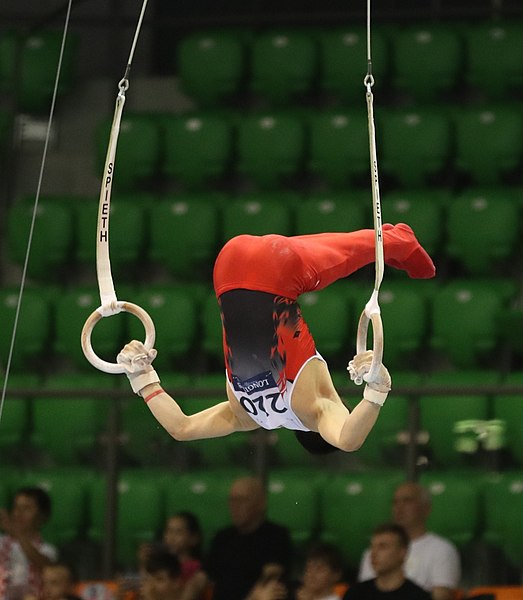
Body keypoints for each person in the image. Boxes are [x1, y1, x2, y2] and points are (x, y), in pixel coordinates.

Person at [117, 225, 435, 454]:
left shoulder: (315, 410)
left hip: (276, 271)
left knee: (348, 251)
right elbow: (181, 428)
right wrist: (142, 375)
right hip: (226, 270)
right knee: (330, 250)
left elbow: (349, 440)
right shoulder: (245, 415)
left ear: (316, 431)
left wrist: (377, 390)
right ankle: (393, 241)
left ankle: (397, 240)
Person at [358, 483, 461, 600]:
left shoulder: (442, 549)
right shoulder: (373, 550)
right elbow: (365, 591)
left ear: (426, 508)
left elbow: (441, 596)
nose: (399, 507)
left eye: (407, 501)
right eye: (395, 502)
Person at [205, 476, 293, 600]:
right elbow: (205, 576)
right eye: (232, 500)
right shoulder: (222, 537)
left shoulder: (276, 536)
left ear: (261, 503)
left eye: (241, 500)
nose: (234, 506)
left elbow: (272, 576)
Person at [0, 486, 58, 600]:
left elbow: (45, 567)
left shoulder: (47, 549)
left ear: (43, 517)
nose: (18, 513)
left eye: (26, 508)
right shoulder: (1, 542)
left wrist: (17, 534)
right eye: (16, 508)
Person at [344, 523, 430, 600]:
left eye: (382, 547)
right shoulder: (356, 594)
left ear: (402, 553)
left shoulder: (418, 597)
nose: (373, 553)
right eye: (372, 547)